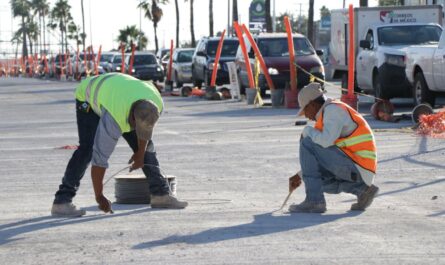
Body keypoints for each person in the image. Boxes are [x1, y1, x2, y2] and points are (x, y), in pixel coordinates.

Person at [51, 73, 188, 217]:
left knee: (147, 147)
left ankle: (161, 195)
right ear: (132, 119)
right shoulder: (114, 119)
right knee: (88, 149)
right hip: (88, 98)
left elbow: (146, 132)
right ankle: (62, 201)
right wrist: (99, 196)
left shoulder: (156, 104)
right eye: (137, 127)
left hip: (120, 91)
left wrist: (140, 154)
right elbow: (100, 160)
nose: (138, 131)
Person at [288, 82, 379, 213]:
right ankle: (363, 191)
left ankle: (314, 201)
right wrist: (300, 175)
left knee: (307, 142)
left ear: (312, 104)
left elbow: (325, 142)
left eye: (305, 111)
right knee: (318, 182)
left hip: (358, 166)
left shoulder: (333, 110)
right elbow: (323, 155)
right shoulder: (328, 113)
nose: (307, 116)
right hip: (358, 167)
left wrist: (307, 131)